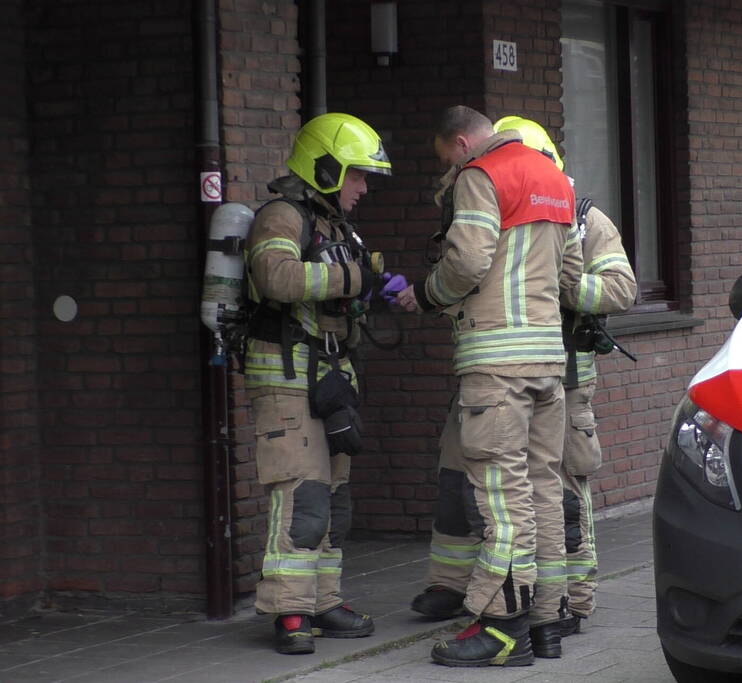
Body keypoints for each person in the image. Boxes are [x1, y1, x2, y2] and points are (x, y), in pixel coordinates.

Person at [406, 116, 637, 647]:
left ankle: (501, 624)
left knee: (506, 501)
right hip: (549, 368)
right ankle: (546, 622)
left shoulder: (484, 176)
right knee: (543, 497)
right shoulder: (557, 188)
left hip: (499, 366)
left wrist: (430, 294)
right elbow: (566, 276)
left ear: (466, 145)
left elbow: (466, 263)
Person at [244, 112, 391, 655]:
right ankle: (290, 612)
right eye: (357, 174)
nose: (363, 187)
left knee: (336, 498)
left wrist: (375, 280)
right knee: (303, 496)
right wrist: (355, 277)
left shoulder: (336, 226)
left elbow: (344, 281)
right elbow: (276, 278)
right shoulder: (282, 216)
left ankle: (324, 601)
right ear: (326, 168)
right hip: (285, 377)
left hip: (331, 374)